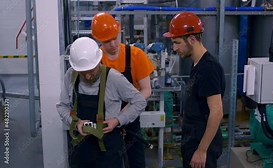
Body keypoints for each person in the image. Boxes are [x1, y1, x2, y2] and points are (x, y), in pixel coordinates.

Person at [56, 37, 147, 168]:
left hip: (108, 152)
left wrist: (118, 120)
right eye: (83, 72)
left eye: (91, 71)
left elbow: (139, 102)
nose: (87, 76)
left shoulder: (114, 78)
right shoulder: (71, 75)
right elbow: (62, 106)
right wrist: (75, 123)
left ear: (99, 60)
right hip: (81, 150)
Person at [91, 12, 155, 168]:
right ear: (97, 39)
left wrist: (123, 116)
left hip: (131, 118)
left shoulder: (135, 55)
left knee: (136, 162)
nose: (112, 44)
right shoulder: (96, 61)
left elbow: (146, 90)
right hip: (105, 121)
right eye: (107, 41)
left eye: (115, 38)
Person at [163, 12, 225, 168]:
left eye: (177, 43)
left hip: (202, 145)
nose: (174, 48)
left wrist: (202, 150)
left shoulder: (208, 68)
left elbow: (216, 112)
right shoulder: (197, 64)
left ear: (191, 40)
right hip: (193, 140)